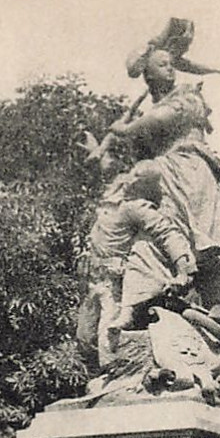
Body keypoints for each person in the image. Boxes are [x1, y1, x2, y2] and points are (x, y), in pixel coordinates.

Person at [99, 32, 220, 322]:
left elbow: (163, 118)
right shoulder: (153, 110)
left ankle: (214, 309)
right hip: (166, 177)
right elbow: (139, 152)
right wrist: (108, 151)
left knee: (206, 236)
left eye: (171, 63)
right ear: (148, 74)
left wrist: (125, 129)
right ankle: (169, 296)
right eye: (161, 64)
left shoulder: (187, 96)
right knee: (163, 235)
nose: (170, 68)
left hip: (193, 172)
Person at [75, 159, 198, 374]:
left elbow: (168, 234)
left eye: (134, 178)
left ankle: (113, 380)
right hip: (91, 281)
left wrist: (183, 269)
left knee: (108, 337)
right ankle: (101, 379)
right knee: (84, 339)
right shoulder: (106, 206)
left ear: (140, 186)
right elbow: (106, 171)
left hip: (112, 283)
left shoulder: (134, 208)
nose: (126, 179)